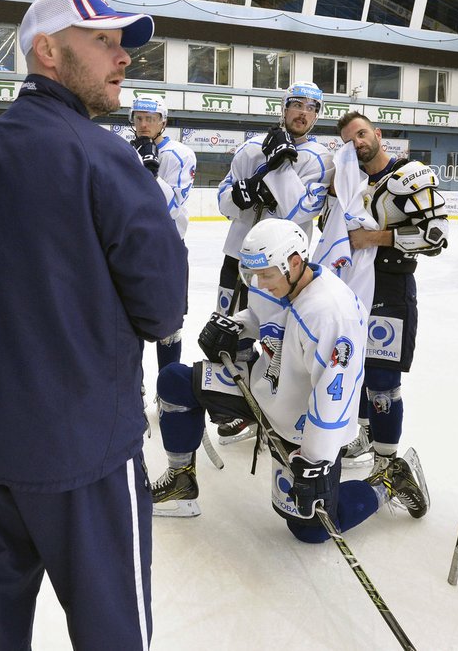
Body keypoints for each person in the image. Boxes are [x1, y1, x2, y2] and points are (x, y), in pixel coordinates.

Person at [0, 0, 187, 649]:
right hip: (86, 460)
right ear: (46, 51)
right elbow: (164, 307)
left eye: (124, 44)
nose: (123, 57)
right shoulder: (103, 154)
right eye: (102, 41)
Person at [150, 218, 429, 536]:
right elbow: (261, 315)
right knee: (174, 381)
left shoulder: (331, 314)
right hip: (263, 387)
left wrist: (315, 459)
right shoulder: (275, 279)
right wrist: (237, 326)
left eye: (266, 274)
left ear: (295, 262)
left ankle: (390, 481)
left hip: (303, 423)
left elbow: (334, 397)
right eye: (255, 274)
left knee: (311, 529)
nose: (261, 282)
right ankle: (182, 480)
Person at [214, 81, 331, 441]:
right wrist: (239, 196)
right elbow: (223, 198)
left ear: (317, 115)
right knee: (229, 331)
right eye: (296, 105)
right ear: (283, 108)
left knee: (273, 338)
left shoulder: (320, 158)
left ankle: (270, 407)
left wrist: (279, 169)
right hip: (237, 258)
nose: (303, 113)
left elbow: (301, 210)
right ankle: (237, 407)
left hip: (283, 269)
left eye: (311, 108)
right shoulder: (251, 149)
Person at [334, 112, 448, 476]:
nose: (358, 143)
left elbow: (436, 237)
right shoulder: (348, 181)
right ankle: (368, 435)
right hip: (352, 287)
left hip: (391, 287)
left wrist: (376, 238)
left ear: (378, 134)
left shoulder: (409, 174)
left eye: (363, 134)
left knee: (383, 380)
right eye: (350, 140)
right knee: (360, 370)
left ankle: (387, 463)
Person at [129, 95, 196, 377]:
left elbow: (171, 208)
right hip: (131, 249)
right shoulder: (122, 150)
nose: (144, 124)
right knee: (129, 322)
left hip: (168, 250)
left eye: (151, 119)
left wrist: (151, 174)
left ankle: (168, 389)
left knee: (170, 325)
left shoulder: (180, 154)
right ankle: (135, 387)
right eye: (139, 118)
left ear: (163, 123)